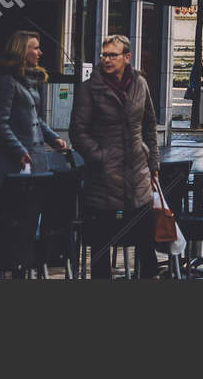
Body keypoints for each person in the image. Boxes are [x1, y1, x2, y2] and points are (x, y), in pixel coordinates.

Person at [70, 34, 161, 278]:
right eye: (104, 55)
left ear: (127, 57)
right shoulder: (90, 89)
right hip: (103, 177)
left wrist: (152, 160)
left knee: (145, 240)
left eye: (113, 55)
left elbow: (149, 124)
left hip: (137, 173)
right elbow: (78, 132)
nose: (107, 59)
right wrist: (100, 156)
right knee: (101, 241)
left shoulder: (140, 84)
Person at [0, 30, 70, 175]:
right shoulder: (8, 81)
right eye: (36, 48)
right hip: (16, 160)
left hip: (35, 157)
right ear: (22, 51)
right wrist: (19, 150)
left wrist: (54, 138)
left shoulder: (32, 81)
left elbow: (36, 119)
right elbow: (0, 122)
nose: (40, 53)